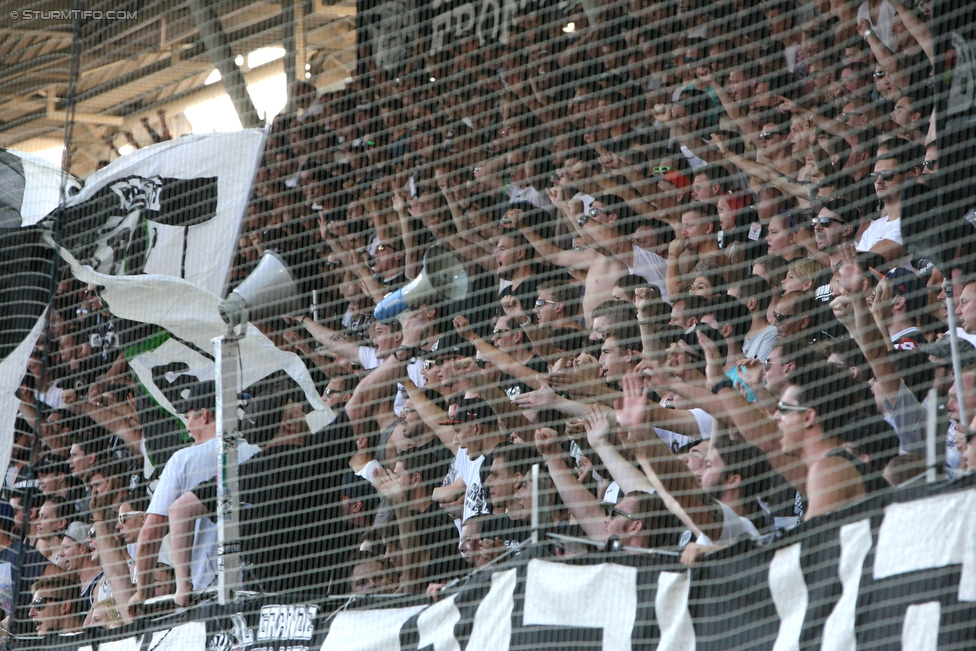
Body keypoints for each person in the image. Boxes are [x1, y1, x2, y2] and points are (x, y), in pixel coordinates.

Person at [131, 380, 261, 607]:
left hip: (205, 595)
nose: (187, 427)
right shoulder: (257, 452)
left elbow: (149, 536)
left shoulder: (183, 460)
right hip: (257, 588)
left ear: (204, 414)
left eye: (188, 416)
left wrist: (141, 593)